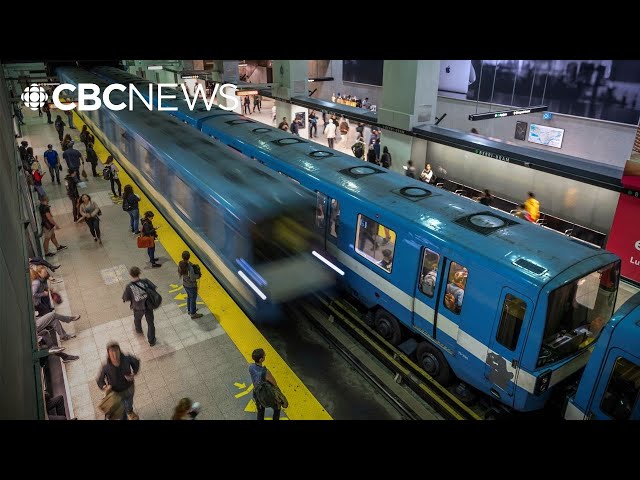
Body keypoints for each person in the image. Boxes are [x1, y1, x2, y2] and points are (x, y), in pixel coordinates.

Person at [96, 342, 140, 420]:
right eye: (112, 352)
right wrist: (105, 386)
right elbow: (100, 380)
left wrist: (133, 373)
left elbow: (136, 362)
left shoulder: (127, 358)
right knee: (121, 410)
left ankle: (130, 412)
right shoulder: (106, 367)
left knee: (129, 403)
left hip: (129, 388)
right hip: (116, 393)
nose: (115, 355)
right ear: (108, 354)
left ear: (119, 350)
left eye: (116, 351)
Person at [122, 266, 157, 346]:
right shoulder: (145, 281)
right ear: (139, 273)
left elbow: (126, 297)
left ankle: (138, 329)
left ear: (131, 275)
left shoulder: (129, 286)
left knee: (137, 319)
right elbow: (154, 289)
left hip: (137, 307)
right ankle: (151, 340)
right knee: (150, 323)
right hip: (148, 306)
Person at [249, 348, 281, 421]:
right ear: (261, 359)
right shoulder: (265, 372)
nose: (265, 356)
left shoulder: (251, 367)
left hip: (257, 394)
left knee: (260, 411)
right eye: (264, 356)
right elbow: (274, 383)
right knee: (277, 407)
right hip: (266, 394)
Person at [178, 251, 203, 319]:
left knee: (189, 297)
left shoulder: (180, 264)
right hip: (191, 286)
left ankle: (189, 310)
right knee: (193, 299)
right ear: (189, 257)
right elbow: (192, 278)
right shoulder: (190, 267)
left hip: (185, 284)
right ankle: (193, 313)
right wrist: (198, 275)